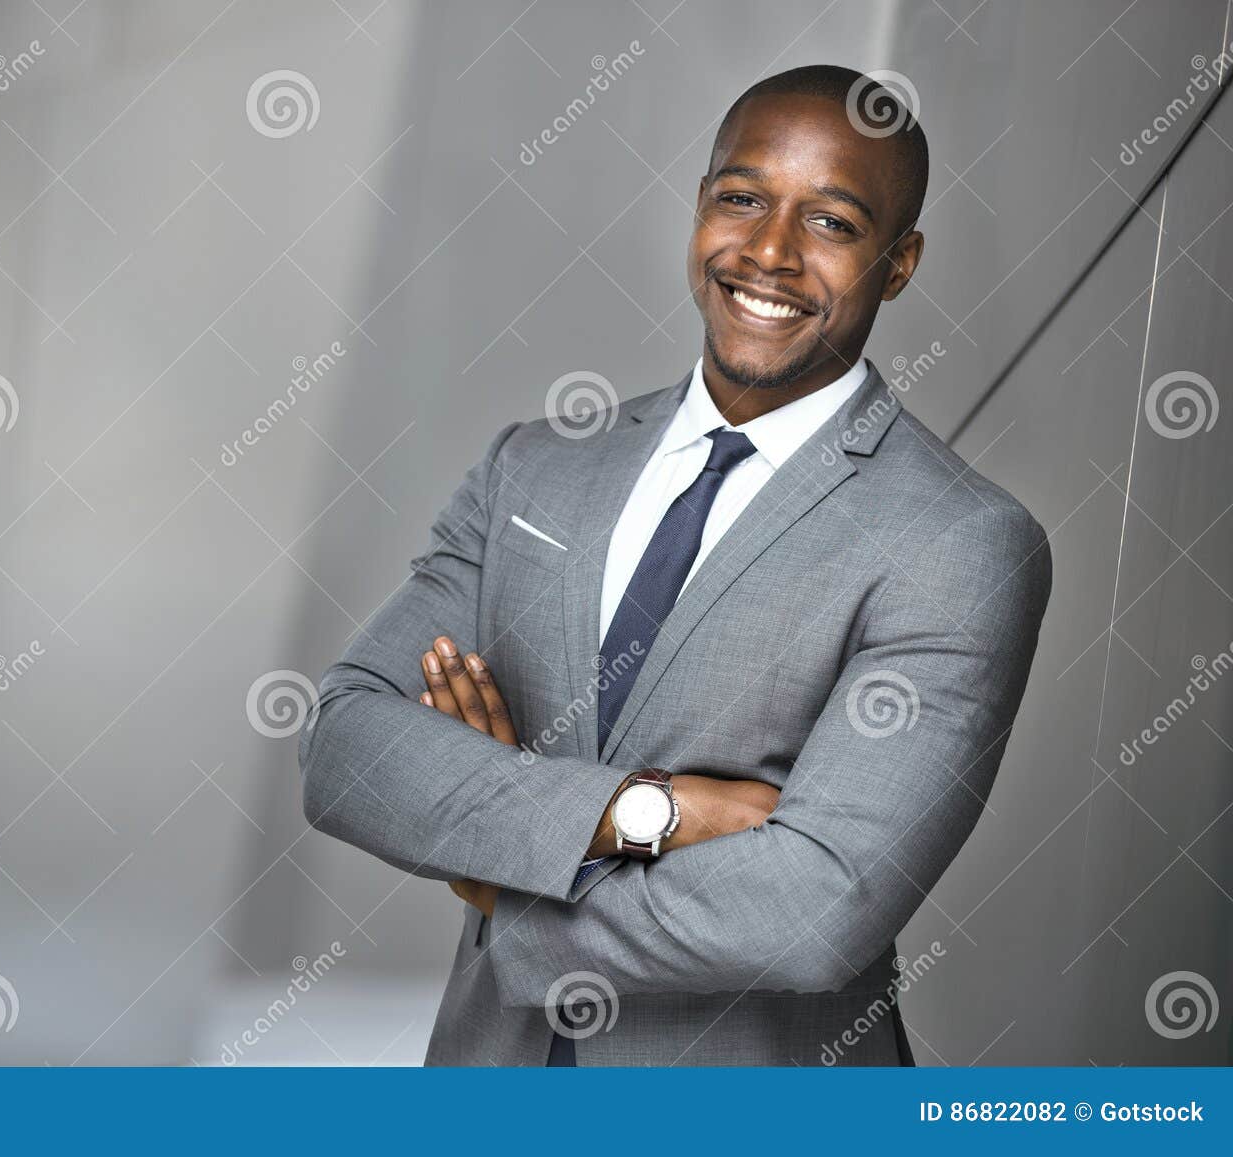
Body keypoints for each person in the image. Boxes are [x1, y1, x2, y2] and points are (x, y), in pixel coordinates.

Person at [298, 64, 1052, 1066]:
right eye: (741, 199)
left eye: (830, 222)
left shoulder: (960, 540)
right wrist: (647, 811)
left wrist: (500, 874)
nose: (769, 252)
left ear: (899, 261)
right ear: (700, 208)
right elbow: (348, 745)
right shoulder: (536, 467)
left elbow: (815, 908)